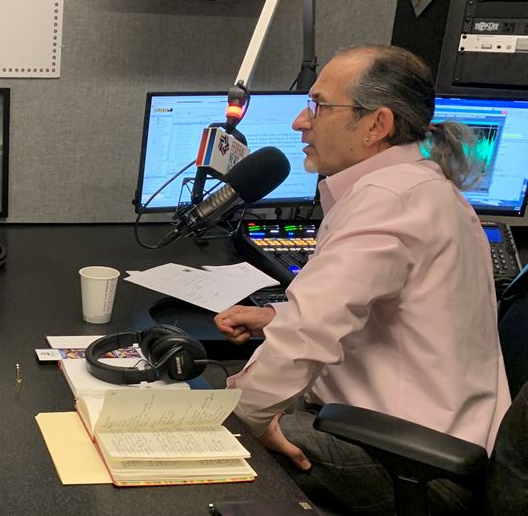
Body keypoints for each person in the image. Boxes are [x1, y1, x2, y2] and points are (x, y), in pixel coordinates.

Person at [214, 45, 511, 515]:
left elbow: (308, 334)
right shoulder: (421, 186)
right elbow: (378, 308)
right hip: (432, 433)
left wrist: (238, 419)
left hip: (412, 457)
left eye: (319, 106)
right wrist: (276, 316)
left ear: (377, 125)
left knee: (213, 436)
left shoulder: (388, 200)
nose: (300, 122)